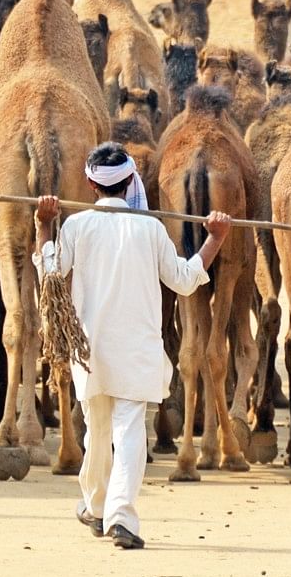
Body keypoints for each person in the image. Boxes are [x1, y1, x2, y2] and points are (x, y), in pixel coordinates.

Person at [33, 141, 231, 550]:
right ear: (130, 182)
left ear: (90, 183)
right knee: (126, 434)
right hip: (136, 350)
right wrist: (215, 239)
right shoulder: (151, 228)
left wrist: (43, 226)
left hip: (90, 351)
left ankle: (99, 507)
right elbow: (184, 279)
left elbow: (50, 272)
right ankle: (116, 515)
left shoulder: (76, 226)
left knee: (97, 432)